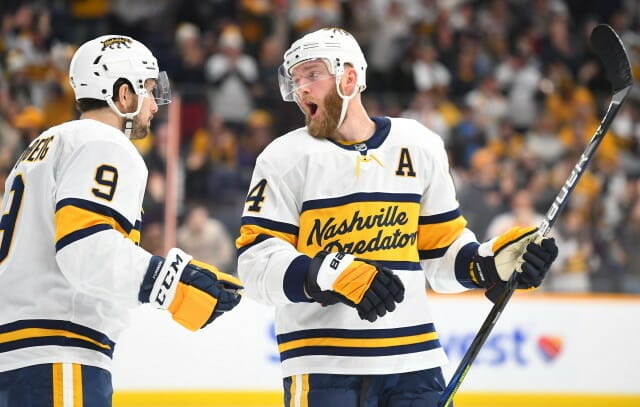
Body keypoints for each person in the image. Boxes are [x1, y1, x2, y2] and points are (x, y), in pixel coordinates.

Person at [236, 27, 558, 407]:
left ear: (349, 78)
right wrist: (328, 273)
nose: (301, 89)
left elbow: (441, 253)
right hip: (324, 365)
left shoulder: (419, 144)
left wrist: (488, 263)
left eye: (312, 74)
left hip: (416, 364)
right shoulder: (283, 158)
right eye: (295, 79)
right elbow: (255, 265)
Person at [0, 35, 242, 406]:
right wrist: (175, 284)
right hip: (58, 353)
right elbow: (85, 248)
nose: (154, 105)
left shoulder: (44, 145)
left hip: (19, 354)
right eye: (148, 90)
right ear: (123, 94)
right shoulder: (105, 143)